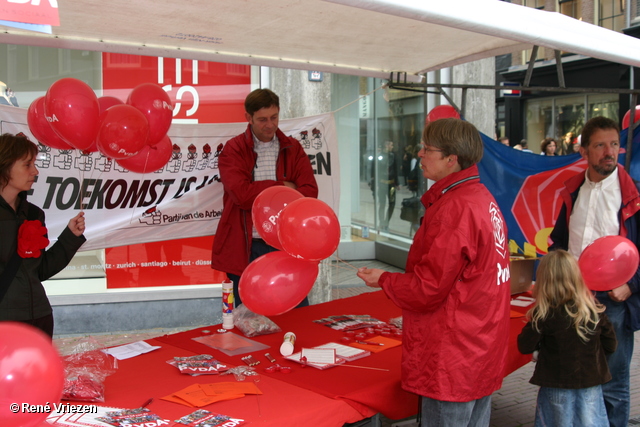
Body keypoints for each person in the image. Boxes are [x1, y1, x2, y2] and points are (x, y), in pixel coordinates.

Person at [357, 118, 511, 427]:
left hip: (454, 352)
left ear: (452, 159)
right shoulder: (480, 197)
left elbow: (427, 288)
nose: (419, 155)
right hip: (479, 344)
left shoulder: (456, 207)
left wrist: (384, 279)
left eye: (428, 150)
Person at [549, 116, 640, 427]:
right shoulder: (573, 191)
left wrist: (631, 286)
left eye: (614, 144)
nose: (609, 152)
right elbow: (559, 243)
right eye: (600, 145)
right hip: (574, 298)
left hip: (613, 301)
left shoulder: (634, 196)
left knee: (613, 384)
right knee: (574, 378)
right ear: (584, 151)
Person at [210, 89, 318, 307]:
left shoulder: (293, 148)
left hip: (286, 245)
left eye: (274, 117)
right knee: (246, 316)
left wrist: (260, 190)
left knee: (295, 310)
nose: (270, 125)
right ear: (248, 118)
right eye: (262, 120)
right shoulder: (234, 149)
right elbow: (241, 195)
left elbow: (309, 193)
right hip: (247, 245)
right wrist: (283, 187)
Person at [0, 133, 86, 338]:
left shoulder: (33, 214)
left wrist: (70, 237)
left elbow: (40, 270)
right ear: (5, 166)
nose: (35, 171)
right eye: (27, 165)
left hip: (40, 316)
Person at [518, 250, 617, 427]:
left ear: (544, 280)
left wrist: (539, 348)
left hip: (556, 383)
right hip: (591, 382)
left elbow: (524, 345)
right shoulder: (594, 310)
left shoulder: (544, 314)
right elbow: (610, 345)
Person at [373, 140, 399, 231]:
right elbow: (375, 170)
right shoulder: (380, 156)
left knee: (392, 203)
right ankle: (381, 222)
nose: (392, 147)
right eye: (391, 145)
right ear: (387, 146)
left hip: (391, 183)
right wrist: (374, 184)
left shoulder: (393, 156)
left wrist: (397, 183)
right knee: (382, 203)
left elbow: (395, 170)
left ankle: (386, 222)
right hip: (382, 183)